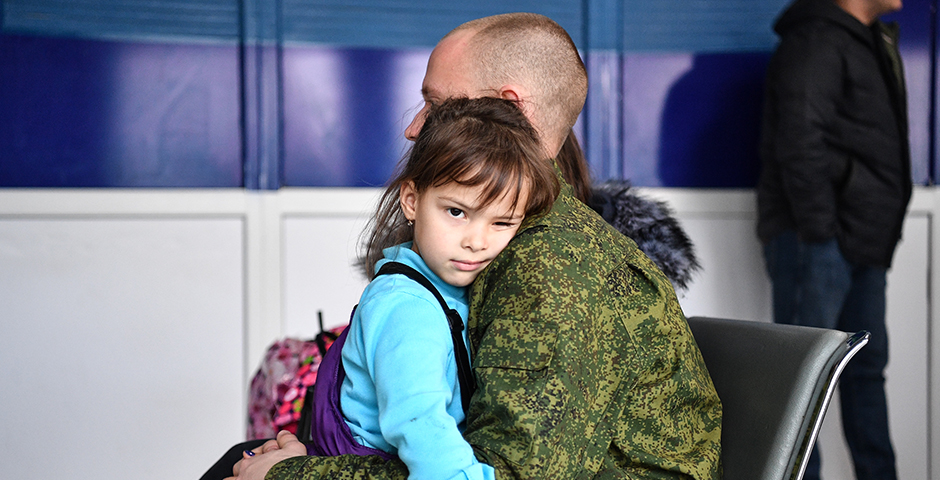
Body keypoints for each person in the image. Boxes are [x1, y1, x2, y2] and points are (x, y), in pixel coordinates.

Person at [222, 12, 722, 480]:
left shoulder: (551, 266)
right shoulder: (513, 236)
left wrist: (292, 473)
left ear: (509, 110)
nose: (413, 127)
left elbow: (505, 474)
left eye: (438, 106)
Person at [757, 0, 909, 479]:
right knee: (806, 381)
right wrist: (821, 230)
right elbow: (800, 139)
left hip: (863, 241)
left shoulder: (868, 39)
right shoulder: (816, 39)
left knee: (866, 374)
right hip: (820, 241)